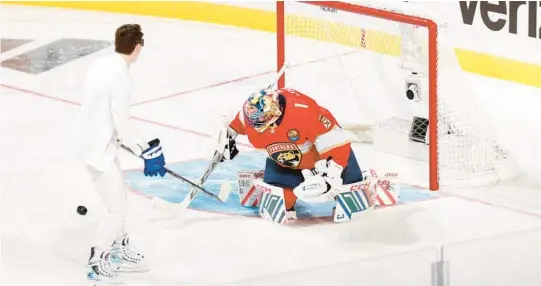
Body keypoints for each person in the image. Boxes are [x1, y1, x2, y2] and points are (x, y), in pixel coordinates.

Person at [72, 24, 166, 282]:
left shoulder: (102, 63)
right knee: (116, 208)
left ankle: (118, 245)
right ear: (138, 47)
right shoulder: (122, 78)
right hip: (97, 150)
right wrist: (146, 151)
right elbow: (121, 122)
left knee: (120, 197)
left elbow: (104, 112)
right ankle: (98, 259)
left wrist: (134, 145)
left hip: (94, 141)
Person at [216, 87, 364, 219]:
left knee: (350, 198)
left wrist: (331, 174)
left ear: (275, 111)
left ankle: (352, 180)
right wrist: (225, 137)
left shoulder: (304, 111)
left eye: (261, 119)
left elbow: (335, 141)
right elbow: (235, 125)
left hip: (320, 161)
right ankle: (283, 183)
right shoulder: (249, 116)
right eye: (254, 120)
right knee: (277, 207)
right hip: (284, 164)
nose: (256, 124)